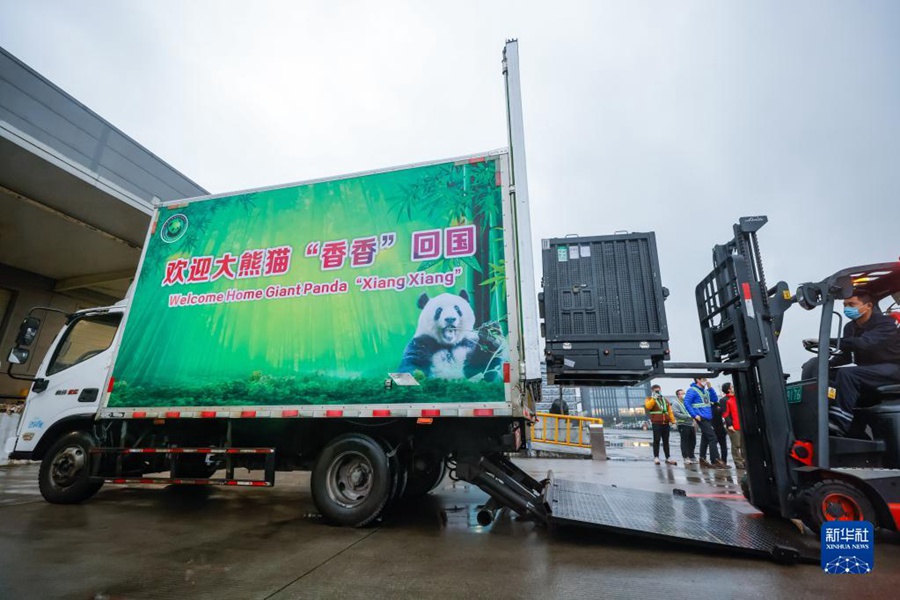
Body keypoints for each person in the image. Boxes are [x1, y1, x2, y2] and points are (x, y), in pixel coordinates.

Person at [828, 290, 900, 436]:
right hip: (870, 372)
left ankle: (839, 424)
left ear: (868, 306)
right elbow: (847, 355)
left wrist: (830, 341)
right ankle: (854, 429)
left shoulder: (886, 323)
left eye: (851, 304)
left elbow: (865, 344)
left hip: (893, 368)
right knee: (825, 374)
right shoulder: (850, 327)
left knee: (848, 374)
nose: (847, 309)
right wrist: (825, 363)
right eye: (845, 305)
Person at [683, 377, 726, 468]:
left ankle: (702, 459)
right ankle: (715, 460)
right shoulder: (692, 390)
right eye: (703, 379)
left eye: (706, 379)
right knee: (713, 438)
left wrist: (710, 388)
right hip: (700, 417)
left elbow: (714, 399)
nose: (705, 381)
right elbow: (687, 403)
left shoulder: (705, 391)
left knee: (705, 438)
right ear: (697, 380)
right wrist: (695, 415)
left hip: (708, 416)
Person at [644, 384, 677, 465]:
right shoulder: (649, 399)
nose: (658, 392)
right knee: (657, 440)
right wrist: (654, 398)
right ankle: (656, 457)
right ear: (652, 391)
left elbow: (670, 411)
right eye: (656, 391)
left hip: (665, 423)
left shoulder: (665, 400)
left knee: (666, 441)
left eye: (658, 390)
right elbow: (648, 406)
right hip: (656, 423)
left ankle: (668, 457)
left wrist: (673, 421)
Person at [721, 382, 745, 469]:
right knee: (736, 445)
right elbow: (725, 414)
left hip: (741, 424)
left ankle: (744, 460)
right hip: (733, 426)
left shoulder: (737, 398)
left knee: (743, 445)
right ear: (729, 389)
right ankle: (738, 462)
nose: (733, 388)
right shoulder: (724, 400)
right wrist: (729, 425)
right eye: (732, 387)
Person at [671, 388, 697, 465]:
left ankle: (692, 456)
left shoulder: (687, 402)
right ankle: (686, 457)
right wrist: (688, 416)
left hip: (691, 424)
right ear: (678, 395)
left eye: (684, 393)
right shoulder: (676, 403)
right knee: (685, 441)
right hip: (683, 424)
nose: (684, 395)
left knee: (693, 441)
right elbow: (676, 414)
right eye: (682, 393)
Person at [710, 388, 729, 466]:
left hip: (718, 428)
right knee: (719, 445)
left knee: (719, 446)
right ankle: (718, 460)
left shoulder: (714, 406)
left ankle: (719, 461)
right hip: (716, 428)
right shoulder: (717, 405)